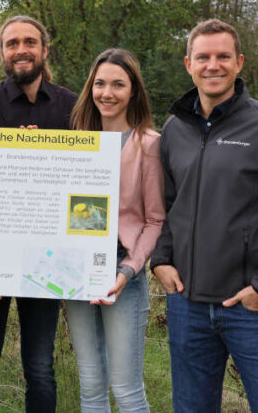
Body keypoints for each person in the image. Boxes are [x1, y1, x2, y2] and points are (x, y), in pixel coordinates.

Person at [151, 19, 258, 412]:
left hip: (251, 308)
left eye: (223, 56)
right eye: (203, 57)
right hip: (187, 305)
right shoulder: (174, 130)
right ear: (188, 64)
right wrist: (161, 260)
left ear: (239, 62)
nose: (213, 65)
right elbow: (167, 205)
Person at [0, 15, 78, 413]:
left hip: (47, 255)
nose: (21, 50)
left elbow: (79, 181)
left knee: (41, 366)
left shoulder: (71, 106)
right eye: (12, 43)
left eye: (30, 42)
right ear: (2, 53)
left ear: (45, 50)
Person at [65, 48, 164, 412]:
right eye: (100, 83)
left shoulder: (149, 144)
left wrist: (128, 270)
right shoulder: (74, 141)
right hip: (76, 274)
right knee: (90, 385)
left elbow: (155, 220)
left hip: (123, 275)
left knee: (125, 390)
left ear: (133, 91)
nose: (107, 93)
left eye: (118, 84)